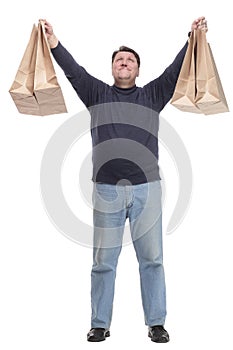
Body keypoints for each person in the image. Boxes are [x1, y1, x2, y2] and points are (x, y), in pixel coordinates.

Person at [43, 17, 208, 343]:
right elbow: (73, 70)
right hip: (106, 190)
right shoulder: (96, 93)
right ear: (113, 68)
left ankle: (156, 322)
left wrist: (192, 39)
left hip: (147, 188)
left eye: (130, 60)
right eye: (120, 59)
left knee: (152, 260)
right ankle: (100, 323)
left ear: (137, 70)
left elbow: (175, 72)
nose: (124, 62)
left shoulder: (153, 95)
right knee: (104, 261)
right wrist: (53, 44)